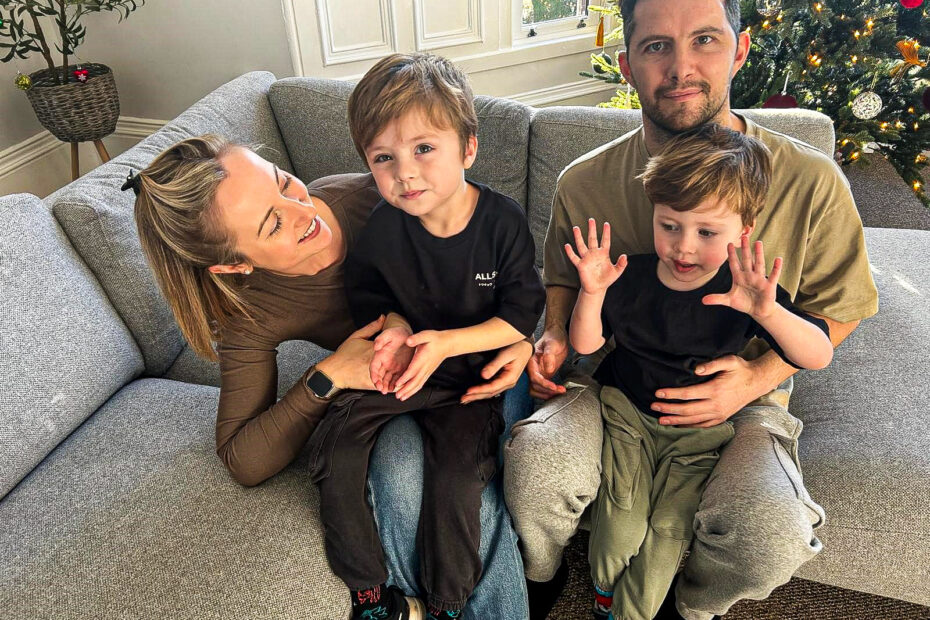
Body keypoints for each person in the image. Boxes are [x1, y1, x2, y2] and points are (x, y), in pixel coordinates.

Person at [503, 0, 879, 619]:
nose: (681, 67)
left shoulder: (811, 182)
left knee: (770, 535)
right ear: (626, 64)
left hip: (743, 405)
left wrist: (756, 379)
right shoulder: (584, 182)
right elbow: (563, 285)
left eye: (704, 39)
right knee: (537, 465)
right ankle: (540, 572)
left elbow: (840, 310)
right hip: (613, 387)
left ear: (740, 49)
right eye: (656, 47)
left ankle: (695, 605)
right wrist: (552, 336)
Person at [128, 133, 534, 619]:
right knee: (400, 472)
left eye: (283, 183)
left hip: (482, 361)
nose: (304, 212)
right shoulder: (251, 310)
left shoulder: (379, 196)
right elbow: (243, 459)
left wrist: (525, 340)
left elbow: (507, 262)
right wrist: (330, 374)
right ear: (235, 265)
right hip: (401, 389)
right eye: (273, 222)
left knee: (459, 476)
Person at [306, 52, 544, 620]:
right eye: (383, 158)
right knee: (336, 449)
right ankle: (368, 591)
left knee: (459, 479)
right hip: (402, 372)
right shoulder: (383, 228)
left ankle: (445, 603)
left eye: (423, 149)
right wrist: (397, 327)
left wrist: (446, 342)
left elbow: (521, 313)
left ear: (468, 147)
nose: (404, 173)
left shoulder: (502, 221)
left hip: (470, 380)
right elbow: (368, 294)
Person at [564, 125, 833, 620]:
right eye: (669, 226)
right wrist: (593, 291)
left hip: (700, 437)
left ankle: (629, 613)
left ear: (743, 232)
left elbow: (816, 355)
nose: (684, 248)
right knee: (621, 526)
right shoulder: (632, 276)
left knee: (667, 535)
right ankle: (603, 593)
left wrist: (768, 312)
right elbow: (584, 345)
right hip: (627, 418)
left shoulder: (747, 292)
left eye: (707, 232)